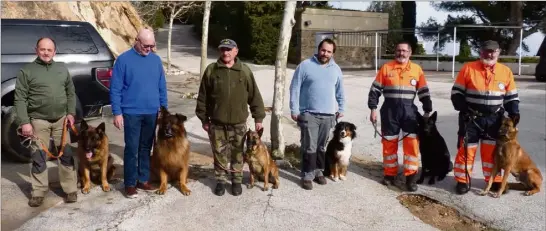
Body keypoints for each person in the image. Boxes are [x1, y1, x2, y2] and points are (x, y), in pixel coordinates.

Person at [195, 38, 266, 196]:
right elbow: (203, 98)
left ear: (236, 51)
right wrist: (204, 119)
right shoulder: (212, 70)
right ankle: (220, 180)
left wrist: (258, 118)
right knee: (219, 153)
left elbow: (255, 96)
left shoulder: (244, 71)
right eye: (223, 49)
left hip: (238, 123)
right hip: (217, 124)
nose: (225, 52)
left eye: (229, 49)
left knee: (238, 153)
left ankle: (236, 180)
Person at [14, 37, 78, 207]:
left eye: (49, 50)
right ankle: (38, 191)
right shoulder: (27, 71)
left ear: (54, 52)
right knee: (38, 157)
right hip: (38, 121)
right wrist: (24, 122)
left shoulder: (62, 69)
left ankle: (70, 189)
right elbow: (20, 99)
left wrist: (71, 113)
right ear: (36, 50)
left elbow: (71, 93)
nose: (46, 53)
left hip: (61, 120)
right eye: (43, 49)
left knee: (67, 155)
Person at [450, 40, 520, 195]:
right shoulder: (468, 68)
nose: (490, 54)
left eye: (493, 51)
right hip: (471, 118)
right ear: (480, 52)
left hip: (495, 121)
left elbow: (511, 97)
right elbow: (456, 93)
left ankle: (494, 180)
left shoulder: (505, 71)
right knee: (466, 150)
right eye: (486, 51)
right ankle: (462, 180)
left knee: (492, 152)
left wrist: (514, 111)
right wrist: (463, 108)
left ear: (498, 52)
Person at [110, 28, 168, 198]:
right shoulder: (123, 60)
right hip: (131, 112)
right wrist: (117, 112)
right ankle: (129, 184)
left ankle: (143, 179)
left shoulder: (156, 61)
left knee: (146, 147)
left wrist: (163, 109)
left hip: (152, 112)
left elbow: (161, 86)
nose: (149, 49)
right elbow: (115, 89)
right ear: (136, 40)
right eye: (146, 45)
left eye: (152, 46)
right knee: (132, 149)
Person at [367, 41, 432, 192]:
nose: (401, 53)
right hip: (389, 110)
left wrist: (427, 110)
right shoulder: (386, 68)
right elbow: (375, 90)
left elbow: (423, 91)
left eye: (404, 51)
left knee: (412, 145)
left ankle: (410, 178)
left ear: (410, 53)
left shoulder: (417, 70)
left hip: (410, 112)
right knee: (389, 144)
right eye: (398, 50)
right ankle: (389, 174)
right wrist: (373, 108)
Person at [289, 38, 345, 190]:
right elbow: (294, 88)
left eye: (328, 51)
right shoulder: (305, 66)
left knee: (321, 147)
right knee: (309, 146)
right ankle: (307, 174)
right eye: (323, 50)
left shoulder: (336, 69)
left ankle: (318, 171)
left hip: (328, 115)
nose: (325, 53)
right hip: (309, 114)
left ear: (332, 53)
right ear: (318, 49)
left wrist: (342, 107)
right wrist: (294, 109)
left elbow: (340, 91)